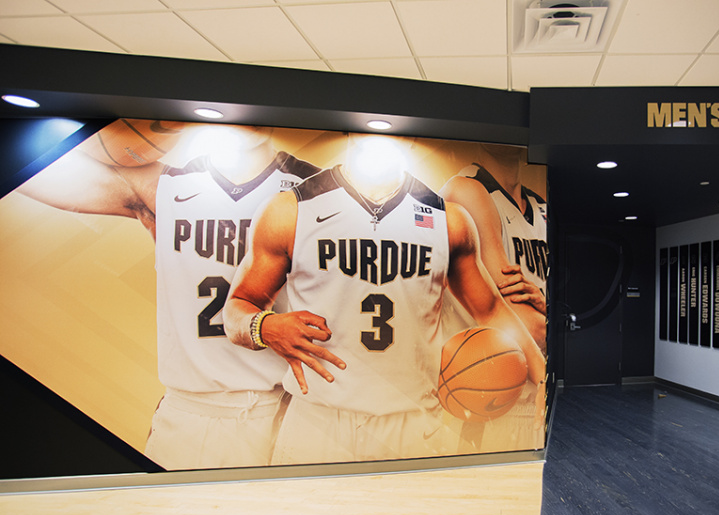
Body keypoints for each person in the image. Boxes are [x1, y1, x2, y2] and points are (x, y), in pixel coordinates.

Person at [224, 135, 545, 465]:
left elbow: (490, 309)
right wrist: (263, 326)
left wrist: (541, 374)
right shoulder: (291, 209)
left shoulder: (448, 219)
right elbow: (237, 307)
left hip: (416, 421)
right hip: (317, 420)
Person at [16, 122, 319, 469]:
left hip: (285, 406)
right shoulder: (161, 185)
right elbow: (36, 176)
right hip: (189, 409)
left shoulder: (315, 192)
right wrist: (103, 132)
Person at [438, 143, 549, 452]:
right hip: (484, 388)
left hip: (534, 386)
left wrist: (545, 303)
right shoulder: (466, 189)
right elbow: (524, 322)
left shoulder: (540, 206)